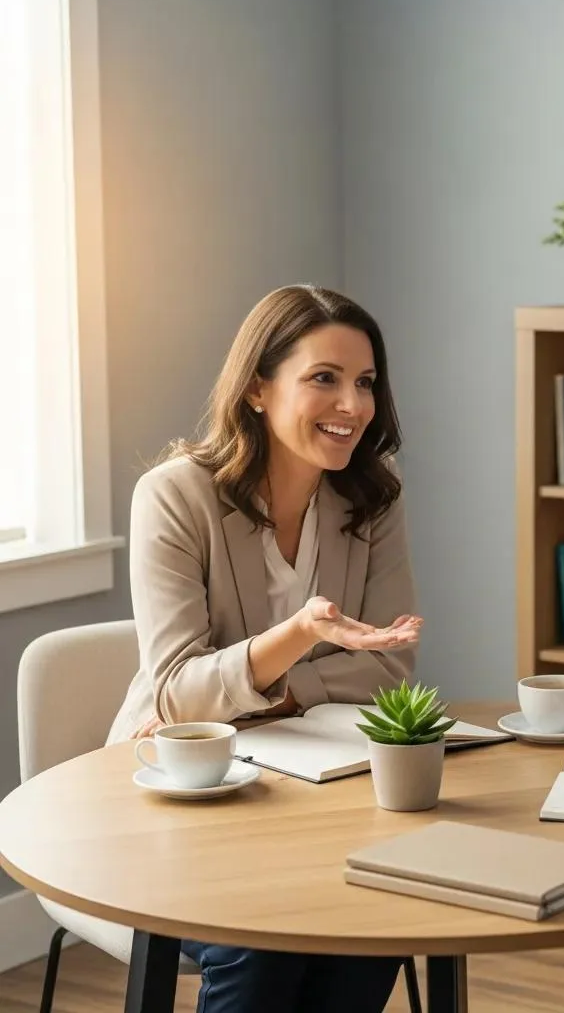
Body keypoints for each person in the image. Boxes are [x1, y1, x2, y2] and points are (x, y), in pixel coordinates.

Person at [107, 284, 423, 1012]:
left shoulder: (375, 495)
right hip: (182, 795)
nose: (353, 404)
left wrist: (268, 692)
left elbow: (391, 663)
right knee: (266, 936)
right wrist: (303, 635)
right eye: (325, 378)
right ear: (257, 387)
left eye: (366, 382)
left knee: (381, 906)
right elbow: (175, 695)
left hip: (317, 791)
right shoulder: (175, 496)